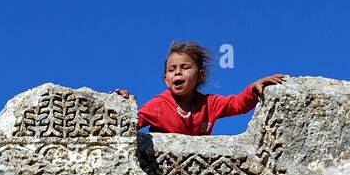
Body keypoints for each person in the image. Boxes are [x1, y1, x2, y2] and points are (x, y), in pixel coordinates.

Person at [116, 41, 285, 135]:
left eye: (185, 67)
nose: (177, 73)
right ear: (165, 80)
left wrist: (254, 88)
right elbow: (129, 124)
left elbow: (236, 104)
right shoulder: (158, 105)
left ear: (200, 75)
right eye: (171, 69)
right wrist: (119, 103)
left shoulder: (208, 104)